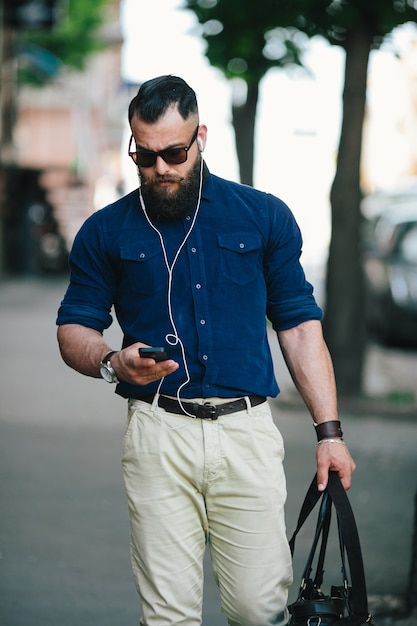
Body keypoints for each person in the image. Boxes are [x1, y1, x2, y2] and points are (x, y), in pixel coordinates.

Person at [56, 74, 355, 626]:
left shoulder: (263, 216)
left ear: (201, 138)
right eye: (145, 157)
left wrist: (329, 434)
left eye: (174, 152)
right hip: (157, 432)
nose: (161, 168)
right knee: (168, 617)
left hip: (246, 431)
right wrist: (109, 362)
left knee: (258, 610)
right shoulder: (105, 230)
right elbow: (74, 327)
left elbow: (299, 327)